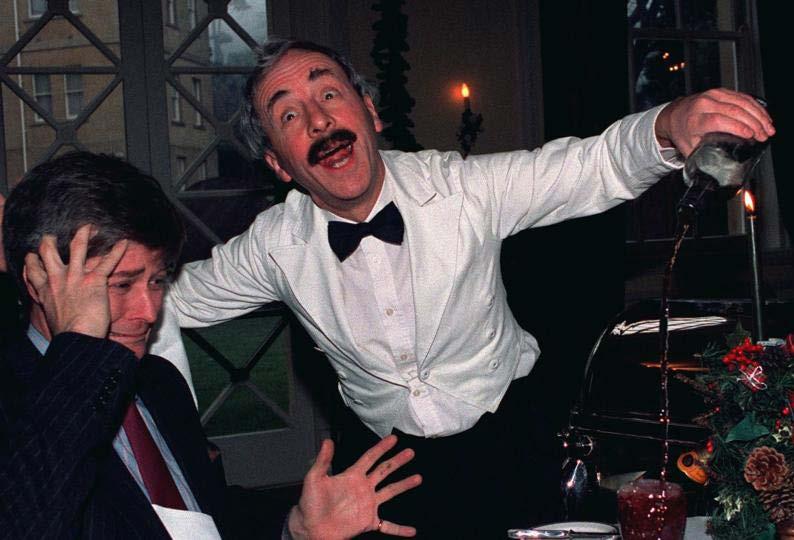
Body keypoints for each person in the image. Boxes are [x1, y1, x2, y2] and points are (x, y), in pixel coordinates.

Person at [149, 39, 776, 537]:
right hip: (386, 466)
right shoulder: (273, 246)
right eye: (289, 114)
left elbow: (591, 166)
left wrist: (668, 124)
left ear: (370, 112)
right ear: (279, 164)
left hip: (512, 434)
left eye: (330, 93)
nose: (318, 120)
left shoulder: (462, 189)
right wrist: (103, 292)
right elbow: (166, 299)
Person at [0, 151, 421, 539]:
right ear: (40, 282)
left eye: (157, 280)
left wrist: (296, 526)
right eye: (121, 285)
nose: (149, 310)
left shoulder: (158, 382)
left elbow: (202, 514)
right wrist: (79, 352)